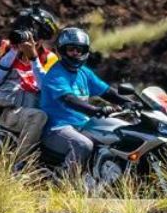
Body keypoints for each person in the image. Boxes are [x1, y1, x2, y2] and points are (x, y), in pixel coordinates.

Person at [37, 25, 114, 178]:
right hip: (57, 128)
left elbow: (107, 92)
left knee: (112, 134)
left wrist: (132, 100)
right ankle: (63, 182)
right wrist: (94, 109)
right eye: (71, 49)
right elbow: (69, 99)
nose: (75, 53)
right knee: (83, 145)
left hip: (82, 124)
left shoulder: (84, 72)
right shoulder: (56, 74)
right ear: (62, 50)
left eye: (79, 50)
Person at [0, 5, 59, 160]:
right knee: (38, 117)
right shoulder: (9, 49)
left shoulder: (49, 58)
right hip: (11, 111)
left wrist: (33, 58)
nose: (33, 41)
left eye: (37, 38)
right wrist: (14, 51)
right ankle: (20, 163)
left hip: (34, 107)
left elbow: (44, 87)